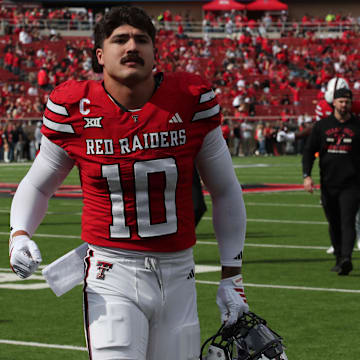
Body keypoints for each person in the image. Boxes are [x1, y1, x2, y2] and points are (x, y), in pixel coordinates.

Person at [9, 6, 248, 360]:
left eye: (141, 39)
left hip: (179, 271)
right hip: (111, 272)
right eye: (120, 39)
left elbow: (226, 189)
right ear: (100, 55)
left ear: (155, 52)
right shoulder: (75, 107)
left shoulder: (189, 99)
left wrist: (233, 275)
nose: (131, 46)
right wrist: (19, 234)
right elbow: (38, 184)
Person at [302, 88, 360, 275]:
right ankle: (338, 258)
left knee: (347, 220)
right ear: (333, 102)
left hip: (352, 183)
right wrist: (307, 176)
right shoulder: (322, 126)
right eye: (341, 101)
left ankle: (346, 258)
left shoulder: (358, 125)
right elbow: (309, 152)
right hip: (328, 183)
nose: (344, 105)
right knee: (334, 222)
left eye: (347, 102)